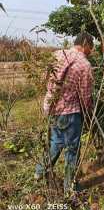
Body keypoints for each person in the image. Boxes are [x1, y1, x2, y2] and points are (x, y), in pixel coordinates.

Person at [35, 32, 94, 197]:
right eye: (92, 47)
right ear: (85, 44)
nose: (92, 51)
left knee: (56, 142)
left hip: (52, 108)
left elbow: (45, 77)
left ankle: (39, 172)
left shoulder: (57, 54)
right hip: (70, 112)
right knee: (72, 149)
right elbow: (85, 96)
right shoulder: (84, 64)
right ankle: (70, 187)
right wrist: (89, 112)